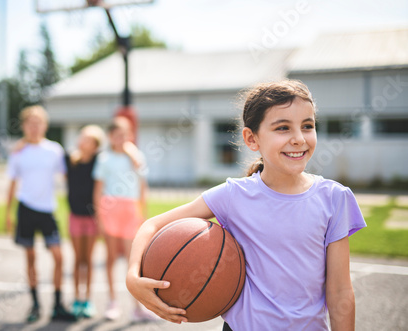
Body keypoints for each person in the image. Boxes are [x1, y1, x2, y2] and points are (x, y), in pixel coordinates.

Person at [126, 80, 367, 330]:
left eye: (307, 126)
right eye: (283, 128)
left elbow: (340, 292)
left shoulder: (334, 198)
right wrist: (133, 277)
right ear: (252, 139)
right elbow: (151, 226)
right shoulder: (233, 195)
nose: (298, 139)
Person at [5, 105, 76, 323]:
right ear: (24, 126)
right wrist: (8, 213)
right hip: (25, 208)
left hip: (48, 210)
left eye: (39, 123)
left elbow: (68, 175)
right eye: (30, 123)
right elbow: (12, 183)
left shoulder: (54, 150)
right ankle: (35, 305)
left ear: (44, 125)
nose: (34, 127)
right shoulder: (18, 152)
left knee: (58, 256)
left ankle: (57, 305)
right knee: (31, 257)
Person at [93, 117, 156, 322]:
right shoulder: (104, 158)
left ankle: (137, 307)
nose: (121, 138)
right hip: (110, 209)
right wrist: (100, 217)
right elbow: (98, 190)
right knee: (111, 258)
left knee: (133, 260)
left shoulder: (136, 156)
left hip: (130, 210)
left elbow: (142, 186)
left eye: (125, 134)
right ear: (110, 137)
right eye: (117, 135)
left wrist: (142, 213)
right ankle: (112, 302)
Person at [65, 125, 105, 319]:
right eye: (81, 137)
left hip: (92, 219)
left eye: (87, 139)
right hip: (74, 217)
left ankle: (87, 300)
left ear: (95, 145)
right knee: (77, 259)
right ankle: (76, 299)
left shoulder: (99, 161)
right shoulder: (69, 160)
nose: (82, 141)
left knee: (88, 260)